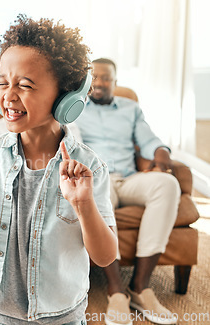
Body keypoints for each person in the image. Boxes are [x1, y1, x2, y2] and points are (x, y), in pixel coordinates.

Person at [0, 16, 118, 324]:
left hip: (61, 316)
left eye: (24, 85)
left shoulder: (89, 168)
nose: (8, 95)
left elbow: (104, 257)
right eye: (2, 83)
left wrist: (83, 205)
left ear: (66, 96)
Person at [74, 58, 180, 325]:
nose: (99, 82)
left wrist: (162, 153)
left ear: (115, 82)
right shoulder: (75, 109)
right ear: (87, 81)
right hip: (98, 179)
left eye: (106, 78)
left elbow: (149, 140)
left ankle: (141, 287)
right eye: (94, 77)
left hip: (129, 178)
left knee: (168, 184)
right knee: (100, 192)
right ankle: (116, 290)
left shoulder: (131, 109)